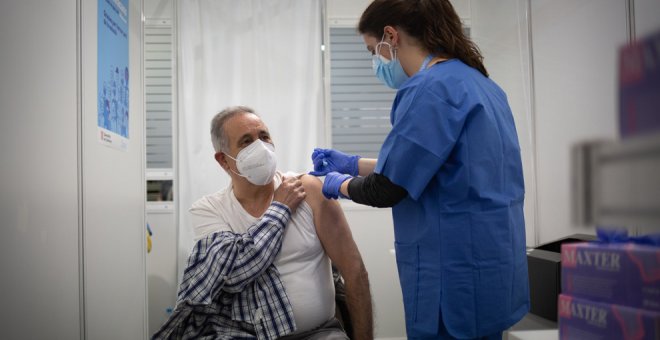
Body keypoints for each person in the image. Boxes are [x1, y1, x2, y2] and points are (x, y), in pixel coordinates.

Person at [309, 1, 529, 339]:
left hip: (452, 276)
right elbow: (433, 164)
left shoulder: (429, 89)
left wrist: (336, 183)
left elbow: (387, 188)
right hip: (491, 270)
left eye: (373, 50)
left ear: (391, 36)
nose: (375, 61)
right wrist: (353, 163)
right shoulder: (481, 85)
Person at [154, 106, 373, 340]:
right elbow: (234, 271)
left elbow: (355, 272)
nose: (261, 147)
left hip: (319, 333)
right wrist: (280, 208)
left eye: (264, 136)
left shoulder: (308, 190)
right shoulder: (209, 210)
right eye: (246, 141)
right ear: (223, 161)